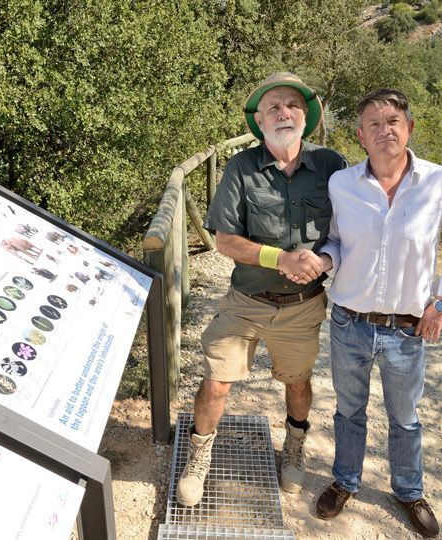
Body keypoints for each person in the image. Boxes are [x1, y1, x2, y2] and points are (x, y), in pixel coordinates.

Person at [309, 89, 442, 538]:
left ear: (409, 128)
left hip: (407, 330)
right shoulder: (342, 185)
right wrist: (323, 261)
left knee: (405, 418)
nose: (384, 129)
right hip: (349, 321)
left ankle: (409, 491)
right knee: (348, 411)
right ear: (360, 136)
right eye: (373, 123)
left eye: (393, 121)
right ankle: (345, 481)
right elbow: (335, 240)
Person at [176, 72, 346, 507]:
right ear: (260, 120)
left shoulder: (332, 165)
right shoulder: (241, 168)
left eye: (292, 105)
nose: (283, 112)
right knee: (216, 382)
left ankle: (293, 447)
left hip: (304, 306)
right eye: (273, 106)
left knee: (298, 384)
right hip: (246, 303)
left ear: (306, 115)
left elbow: (379, 189)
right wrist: (280, 258)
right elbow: (225, 240)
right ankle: (199, 457)